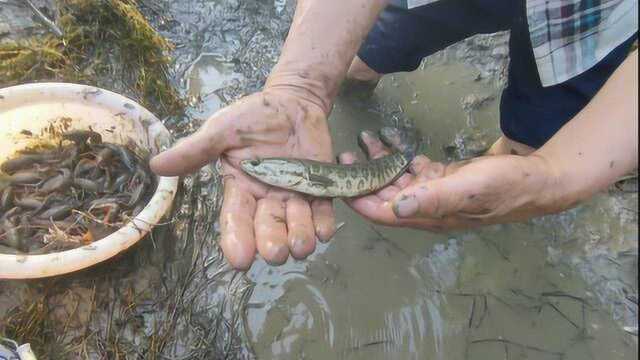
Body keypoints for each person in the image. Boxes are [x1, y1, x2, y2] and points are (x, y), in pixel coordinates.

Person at [150, 0, 638, 270]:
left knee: (532, 147)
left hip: (595, 17)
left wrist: (555, 176)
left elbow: (561, 165)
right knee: (357, 59)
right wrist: (302, 81)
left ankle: (502, 167)